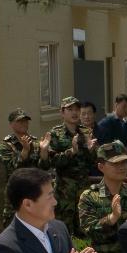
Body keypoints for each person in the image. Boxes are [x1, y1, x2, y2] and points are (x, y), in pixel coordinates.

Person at [43, 96, 95, 237]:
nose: (74, 113)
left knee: (84, 229)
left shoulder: (85, 132)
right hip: (64, 191)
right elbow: (52, 162)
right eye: (70, 109)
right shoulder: (55, 133)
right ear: (62, 112)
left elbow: (92, 162)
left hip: (83, 188)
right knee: (63, 230)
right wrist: (71, 152)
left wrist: (91, 151)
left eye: (77, 109)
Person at [0, 109, 45, 230]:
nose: (24, 124)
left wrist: (44, 152)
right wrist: (25, 151)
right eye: (20, 121)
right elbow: (12, 168)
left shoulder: (35, 142)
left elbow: (43, 167)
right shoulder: (6, 145)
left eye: (25, 121)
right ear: (11, 124)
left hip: (34, 191)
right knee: (13, 227)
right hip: (16, 192)